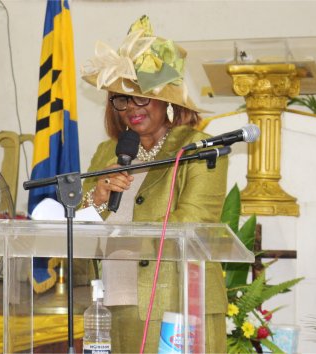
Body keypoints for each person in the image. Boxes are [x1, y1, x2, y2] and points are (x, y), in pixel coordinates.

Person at [80, 16, 228, 353]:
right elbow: (79, 223)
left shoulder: (200, 149)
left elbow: (195, 224)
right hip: (116, 299)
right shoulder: (109, 150)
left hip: (179, 300)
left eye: (141, 97)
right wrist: (98, 195)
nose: (130, 108)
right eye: (121, 98)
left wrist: (124, 234)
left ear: (168, 100)